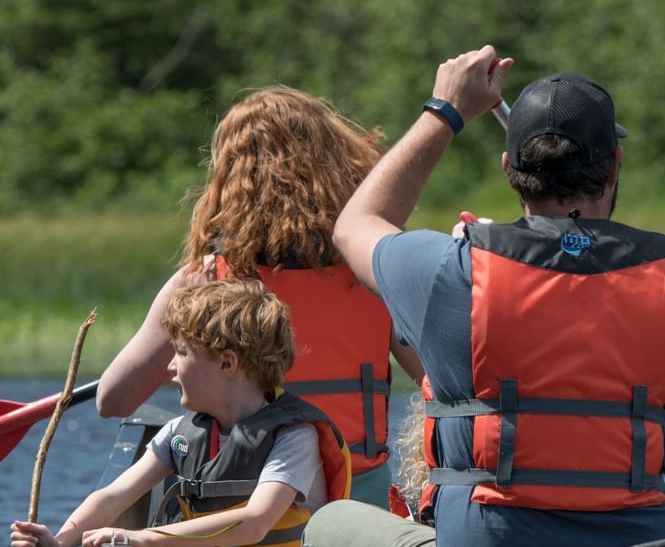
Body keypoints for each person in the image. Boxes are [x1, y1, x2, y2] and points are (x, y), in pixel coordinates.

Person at [301, 46, 665, 547]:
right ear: (614, 165)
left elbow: (356, 224)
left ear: (509, 170)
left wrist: (446, 110)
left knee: (328, 521)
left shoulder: (450, 275)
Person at [90, 85, 423, 510]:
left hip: (240, 505)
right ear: (341, 168)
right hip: (357, 506)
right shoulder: (374, 274)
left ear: (231, 181)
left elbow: (112, 401)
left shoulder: (207, 283)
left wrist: (185, 348)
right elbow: (441, 380)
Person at [10, 279, 352, 547]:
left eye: (182, 353)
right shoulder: (180, 434)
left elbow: (255, 521)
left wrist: (144, 538)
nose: (170, 367)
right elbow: (114, 496)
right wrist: (59, 545)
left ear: (226, 362)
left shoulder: (294, 437)